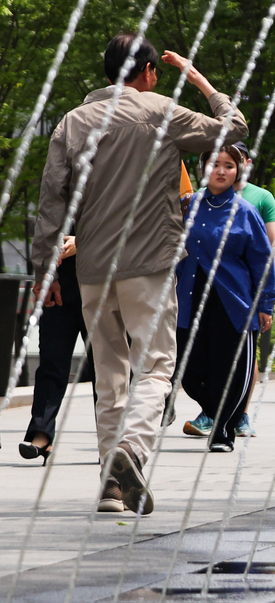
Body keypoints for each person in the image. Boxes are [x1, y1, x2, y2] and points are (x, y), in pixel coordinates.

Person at [34, 34, 247, 514]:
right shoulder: (160, 112)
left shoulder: (72, 123)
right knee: (154, 367)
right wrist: (199, 81)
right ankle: (131, 450)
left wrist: (47, 267)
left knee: (108, 374)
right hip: (148, 266)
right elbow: (232, 129)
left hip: (90, 268)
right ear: (150, 72)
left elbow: (51, 203)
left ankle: (112, 486)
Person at [175, 146, 275, 452]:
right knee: (188, 372)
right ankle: (218, 411)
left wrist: (266, 304)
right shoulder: (187, 205)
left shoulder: (246, 211)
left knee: (230, 369)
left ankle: (223, 431)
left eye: (228, 165)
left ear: (238, 171)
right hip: (190, 298)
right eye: (214, 164)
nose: (220, 170)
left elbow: (262, 261)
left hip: (232, 303)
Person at [18, 235, 91, 467]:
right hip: (61, 283)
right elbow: (43, 232)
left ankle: (112, 442)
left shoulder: (112, 196)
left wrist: (83, 240)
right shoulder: (54, 197)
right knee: (51, 362)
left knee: (107, 367)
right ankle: (42, 434)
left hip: (101, 281)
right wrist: (45, 275)